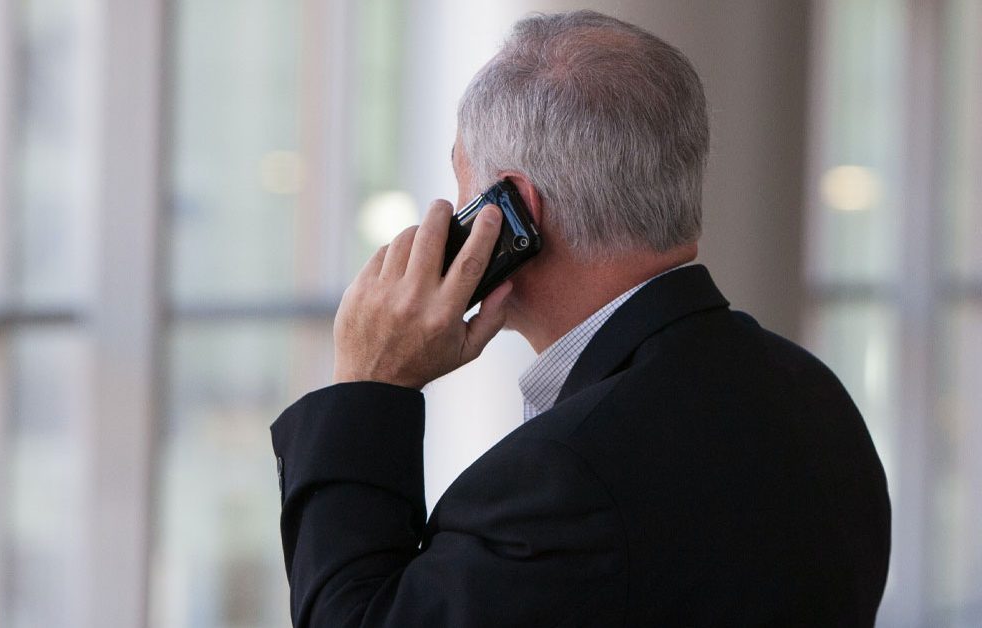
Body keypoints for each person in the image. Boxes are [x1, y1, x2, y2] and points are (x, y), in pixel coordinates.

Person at [270, 10, 890, 627]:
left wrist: (369, 387)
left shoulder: (561, 480)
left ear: (512, 215)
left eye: (464, 191)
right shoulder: (814, 394)